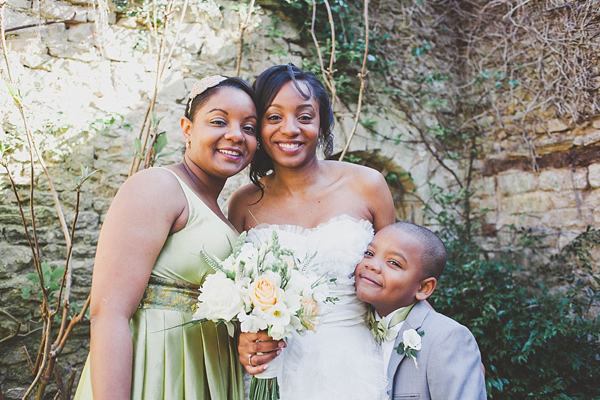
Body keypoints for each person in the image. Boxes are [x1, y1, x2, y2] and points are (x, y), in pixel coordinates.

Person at [74, 75, 258, 400]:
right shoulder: (159, 187)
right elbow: (109, 313)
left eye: (249, 127)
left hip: (208, 373)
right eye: (219, 121)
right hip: (158, 371)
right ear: (187, 129)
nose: (236, 135)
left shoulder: (222, 210)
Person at [229, 63, 395, 400]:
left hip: (360, 367)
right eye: (274, 117)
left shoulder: (367, 185)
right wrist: (243, 339)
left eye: (305, 117)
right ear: (258, 128)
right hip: (277, 375)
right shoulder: (243, 203)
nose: (290, 129)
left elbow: (404, 275)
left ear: (321, 124)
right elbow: (237, 299)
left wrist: (441, 343)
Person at [354, 222, 487, 399]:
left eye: (394, 263)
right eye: (369, 253)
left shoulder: (446, 339)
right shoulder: (351, 327)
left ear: (424, 288)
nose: (372, 265)